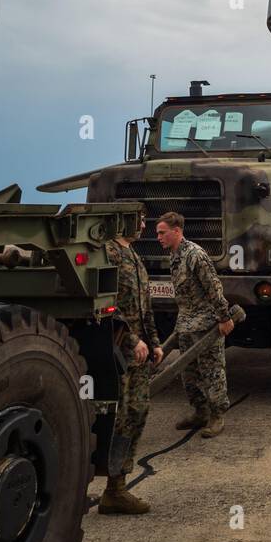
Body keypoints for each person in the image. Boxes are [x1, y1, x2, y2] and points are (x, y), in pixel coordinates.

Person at [100, 207, 163, 515]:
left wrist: (154, 342)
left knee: (138, 411)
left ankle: (117, 486)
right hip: (118, 349)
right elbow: (105, 304)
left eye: (142, 219)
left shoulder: (135, 257)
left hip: (139, 350)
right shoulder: (108, 253)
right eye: (137, 219)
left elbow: (145, 305)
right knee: (119, 416)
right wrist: (131, 339)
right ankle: (114, 488)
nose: (142, 224)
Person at [156, 211, 235, 436]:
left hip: (205, 323)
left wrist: (224, 317)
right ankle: (200, 412)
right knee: (189, 374)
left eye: (162, 233)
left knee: (211, 371)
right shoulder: (175, 256)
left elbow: (213, 287)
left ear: (177, 231)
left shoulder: (195, 255)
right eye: (158, 233)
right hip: (186, 324)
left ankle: (217, 416)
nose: (158, 237)